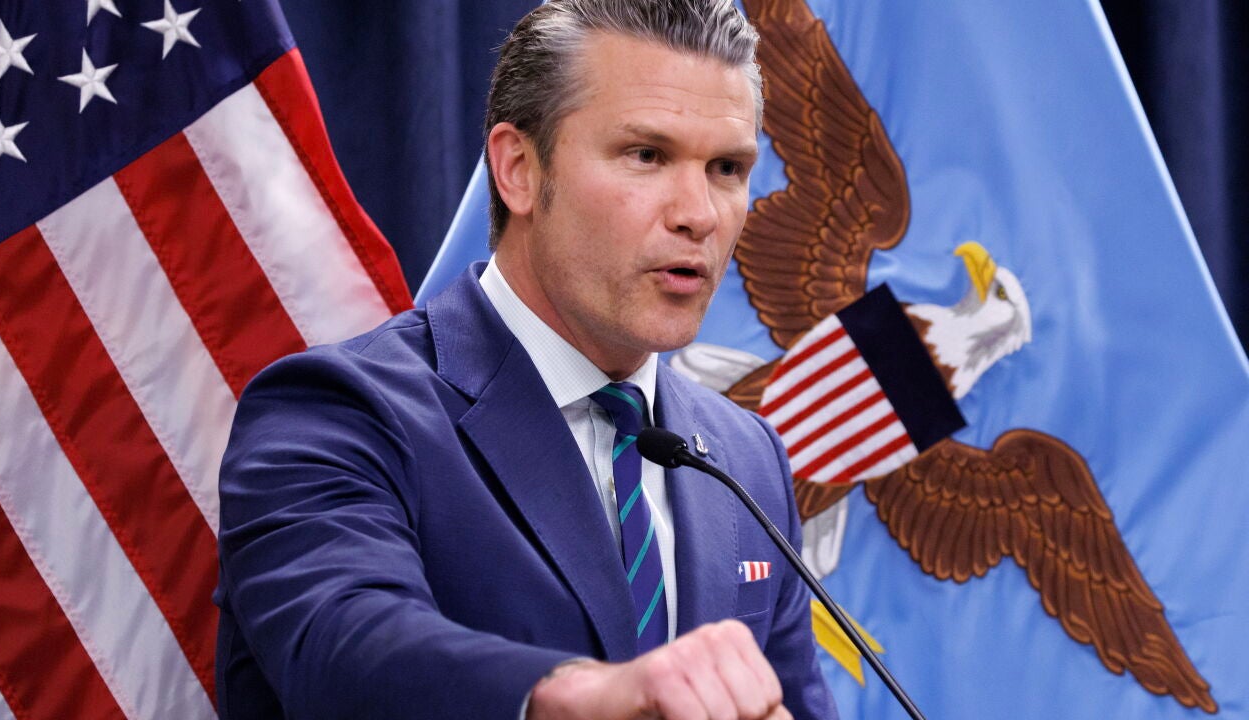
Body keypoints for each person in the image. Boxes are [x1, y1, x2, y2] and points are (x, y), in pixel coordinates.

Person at [214, 1, 839, 718]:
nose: (698, 213)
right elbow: (343, 645)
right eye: (647, 155)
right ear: (517, 169)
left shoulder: (745, 457)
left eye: (727, 168)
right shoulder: (337, 411)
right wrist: (588, 695)